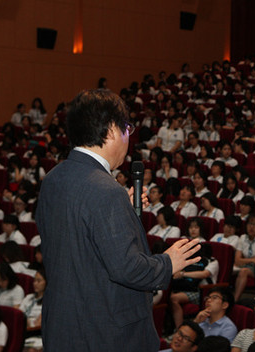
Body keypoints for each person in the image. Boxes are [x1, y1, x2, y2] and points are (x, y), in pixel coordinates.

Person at [35, 89, 201, 352]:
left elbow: (79, 241)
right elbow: (127, 269)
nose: (128, 137)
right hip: (105, 334)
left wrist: (122, 205)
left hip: (63, 326)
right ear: (112, 130)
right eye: (127, 129)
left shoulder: (54, 179)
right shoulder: (106, 191)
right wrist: (169, 262)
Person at [19, 268, 47, 351]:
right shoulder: (28, 297)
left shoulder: (48, 302)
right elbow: (19, 315)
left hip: (37, 334)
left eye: (39, 281)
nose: (35, 284)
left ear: (46, 282)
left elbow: (38, 325)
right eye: (34, 280)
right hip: (23, 331)